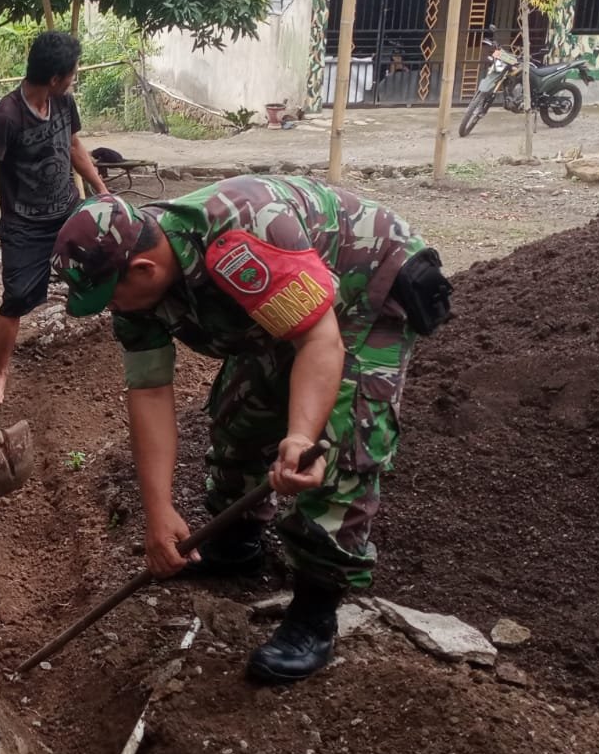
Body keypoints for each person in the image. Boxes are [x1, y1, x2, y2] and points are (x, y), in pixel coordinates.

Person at [49, 177, 452, 683]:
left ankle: (315, 611)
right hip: (289, 302)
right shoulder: (138, 288)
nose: (113, 308)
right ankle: (237, 543)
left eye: (112, 297)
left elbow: (319, 342)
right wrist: (158, 511)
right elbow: (149, 392)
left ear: (145, 269)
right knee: (240, 412)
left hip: (364, 286)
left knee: (343, 440)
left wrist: (301, 436)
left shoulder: (242, 241)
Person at [0, 31, 108, 404]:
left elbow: (73, 145)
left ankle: (102, 340)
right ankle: (0, 373)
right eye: (72, 74)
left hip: (68, 211)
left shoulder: (64, 102)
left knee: (107, 261)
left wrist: (100, 190)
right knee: (15, 299)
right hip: (24, 226)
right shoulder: (7, 116)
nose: (74, 80)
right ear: (55, 78)